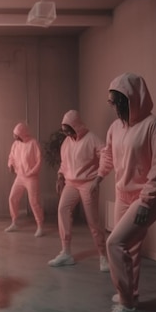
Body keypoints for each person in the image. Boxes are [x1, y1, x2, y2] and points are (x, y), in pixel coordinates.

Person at [92, 73, 156, 312]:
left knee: (114, 242)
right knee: (130, 247)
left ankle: (127, 310)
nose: (116, 108)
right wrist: (98, 177)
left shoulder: (154, 125)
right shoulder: (116, 128)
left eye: (120, 102)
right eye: (113, 103)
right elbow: (108, 156)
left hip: (149, 195)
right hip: (123, 194)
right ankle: (132, 293)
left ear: (133, 98)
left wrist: (147, 202)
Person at [49, 110, 109, 272]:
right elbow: (64, 163)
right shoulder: (67, 142)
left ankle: (103, 256)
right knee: (63, 209)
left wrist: (99, 178)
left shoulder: (92, 139)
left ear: (76, 125)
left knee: (92, 220)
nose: (66, 132)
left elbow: (106, 155)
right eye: (64, 129)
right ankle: (66, 252)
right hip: (71, 183)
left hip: (88, 183)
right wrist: (60, 176)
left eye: (68, 129)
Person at [5, 122, 45, 237]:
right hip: (20, 176)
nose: (15, 137)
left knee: (34, 202)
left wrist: (31, 172)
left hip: (31, 178)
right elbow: (11, 157)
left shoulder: (33, 143)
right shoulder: (16, 144)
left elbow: (39, 161)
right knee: (12, 198)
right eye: (14, 134)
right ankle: (14, 222)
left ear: (22, 134)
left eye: (16, 134)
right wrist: (11, 165)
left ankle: (40, 226)